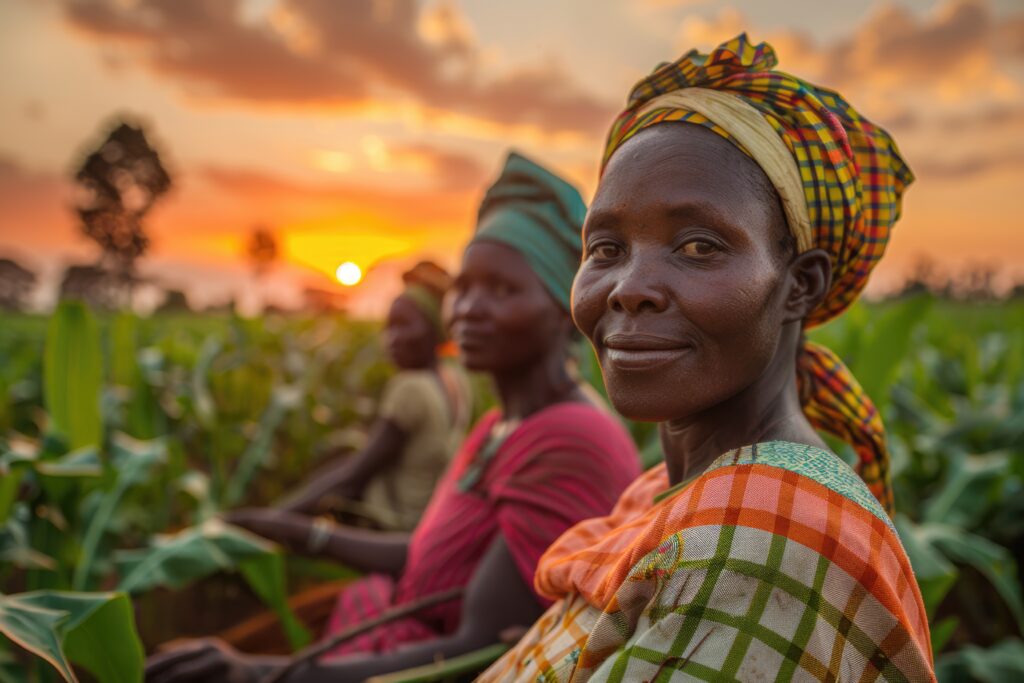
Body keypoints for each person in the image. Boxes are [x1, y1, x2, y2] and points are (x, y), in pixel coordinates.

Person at [481, 34, 935, 682]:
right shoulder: (668, 489)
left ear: (799, 284)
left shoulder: (771, 541)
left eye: (698, 247)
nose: (628, 286)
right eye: (605, 248)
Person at [144, 152, 642, 683]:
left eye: (504, 289)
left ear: (567, 308)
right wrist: (301, 533)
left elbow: (475, 652)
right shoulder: (500, 421)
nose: (470, 307)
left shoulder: (570, 440)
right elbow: (429, 557)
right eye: (465, 287)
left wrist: (261, 675)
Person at [277, 260, 470, 531]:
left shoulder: (410, 388)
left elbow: (354, 477)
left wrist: (272, 520)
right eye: (389, 326)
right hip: (432, 519)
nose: (390, 338)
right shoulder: (454, 379)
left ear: (432, 330)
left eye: (403, 325)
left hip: (393, 526)